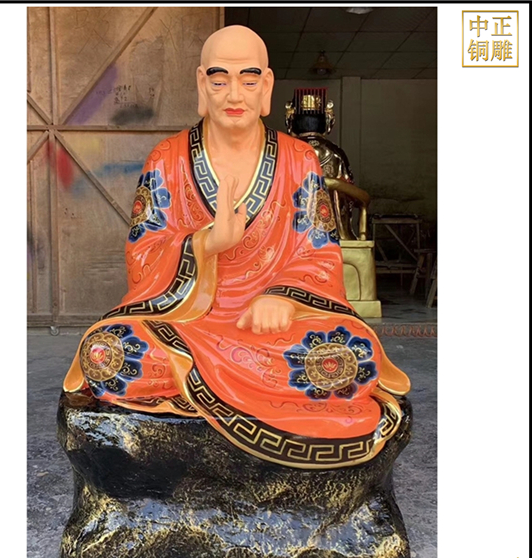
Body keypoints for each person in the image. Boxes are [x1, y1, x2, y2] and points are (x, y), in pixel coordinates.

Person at [63, 25, 410, 469]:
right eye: (219, 79)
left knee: (351, 355)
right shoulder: (167, 159)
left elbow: (320, 253)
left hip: (277, 330)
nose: (234, 94)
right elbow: (142, 255)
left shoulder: (299, 160)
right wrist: (206, 243)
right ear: (201, 84)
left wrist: (283, 296)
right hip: (189, 323)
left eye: (248, 80)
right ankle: (232, 384)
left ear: (266, 87)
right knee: (109, 353)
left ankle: (194, 388)